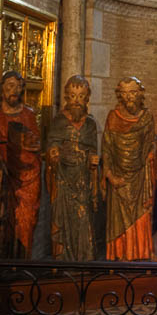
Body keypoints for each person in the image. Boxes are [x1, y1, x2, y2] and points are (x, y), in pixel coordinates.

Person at [102, 76, 156, 260]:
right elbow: (107, 148)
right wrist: (110, 175)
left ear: (140, 93)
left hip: (140, 175)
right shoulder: (113, 118)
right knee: (118, 216)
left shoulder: (147, 118)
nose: (129, 97)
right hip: (119, 176)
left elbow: (150, 145)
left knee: (142, 213)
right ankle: (120, 253)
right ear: (119, 95)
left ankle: (142, 251)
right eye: (124, 93)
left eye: (133, 92)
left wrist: (149, 157)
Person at [46, 75, 99, 261]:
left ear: (87, 98)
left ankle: (84, 259)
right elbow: (51, 145)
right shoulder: (59, 121)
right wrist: (53, 154)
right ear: (67, 97)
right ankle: (62, 260)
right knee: (63, 219)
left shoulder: (90, 124)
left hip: (83, 181)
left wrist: (93, 159)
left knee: (84, 219)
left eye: (81, 96)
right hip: (63, 180)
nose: (76, 101)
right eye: (73, 96)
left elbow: (93, 148)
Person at [0, 71, 41, 258]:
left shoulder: (28, 114)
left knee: (25, 219)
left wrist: (28, 146)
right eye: (10, 86)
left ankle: (22, 261)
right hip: (3, 176)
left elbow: (35, 144)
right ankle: (2, 260)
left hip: (27, 176)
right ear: (2, 88)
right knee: (2, 218)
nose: (14, 90)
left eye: (18, 86)